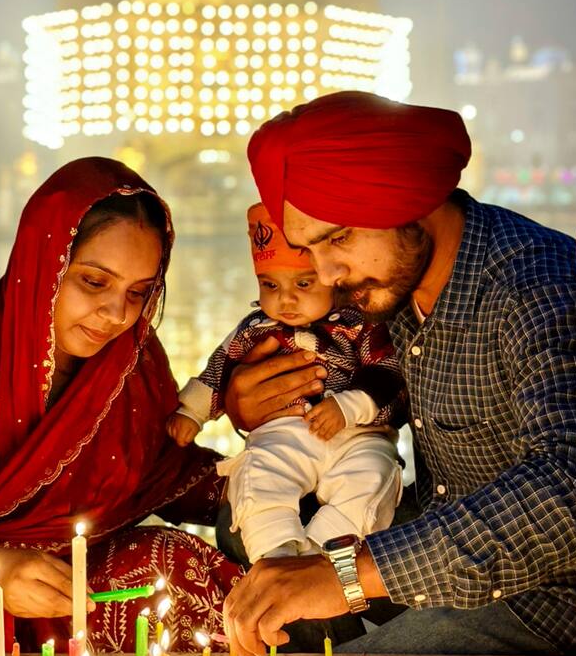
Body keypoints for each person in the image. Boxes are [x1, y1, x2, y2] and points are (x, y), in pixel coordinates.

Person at [222, 91, 576, 656]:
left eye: (338, 237)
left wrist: (347, 574)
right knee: (242, 524)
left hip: (545, 596)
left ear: (410, 199)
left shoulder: (536, 287)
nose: (328, 273)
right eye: (310, 249)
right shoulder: (392, 290)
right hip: (437, 534)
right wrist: (251, 407)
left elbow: (570, 486)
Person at [0, 157, 240, 652]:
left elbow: (161, 470)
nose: (117, 314)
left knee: (175, 566)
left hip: (74, 604)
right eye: (94, 282)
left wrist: (272, 462)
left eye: (140, 293)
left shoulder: (133, 363)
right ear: (44, 263)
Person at [167, 202, 405, 564]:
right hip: (285, 430)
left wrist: (349, 407)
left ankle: (324, 554)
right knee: (260, 473)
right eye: (270, 285)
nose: (286, 299)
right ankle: (274, 553)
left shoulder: (360, 323)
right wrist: (193, 411)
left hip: (359, 434)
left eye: (304, 284)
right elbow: (221, 366)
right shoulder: (257, 328)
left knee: (374, 476)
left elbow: (387, 368)